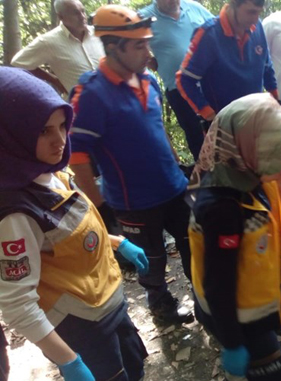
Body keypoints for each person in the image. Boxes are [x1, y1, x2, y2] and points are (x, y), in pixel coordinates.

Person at [0, 67, 177, 381]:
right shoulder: (15, 214)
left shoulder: (50, 174)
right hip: (82, 330)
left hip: (108, 308)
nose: (60, 140)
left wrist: (116, 242)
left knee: (135, 374)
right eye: (43, 131)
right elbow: (16, 303)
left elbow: (68, 233)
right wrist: (67, 360)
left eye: (62, 126)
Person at [68, 5, 193, 324]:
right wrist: (99, 207)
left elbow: (157, 128)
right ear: (112, 47)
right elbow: (77, 153)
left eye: (147, 43)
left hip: (173, 187)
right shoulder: (90, 94)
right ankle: (162, 306)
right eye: (139, 45)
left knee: (194, 244)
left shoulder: (148, 80)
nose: (147, 52)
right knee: (152, 258)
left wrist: (176, 164)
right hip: (133, 201)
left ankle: (206, 296)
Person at [188, 93, 281, 381]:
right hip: (238, 318)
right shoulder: (222, 207)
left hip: (248, 307)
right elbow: (218, 281)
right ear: (246, 148)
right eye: (276, 160)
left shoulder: (243, 172)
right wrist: (232, 342)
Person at [176, 0, 278, 124]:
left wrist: (277, 102)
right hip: (224, 126)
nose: (255, 19)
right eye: (251, 12)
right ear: (234, 3)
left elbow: (267, 68)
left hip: (255, 120)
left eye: (258, 13)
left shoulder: (257, 28)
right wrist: (208, 113)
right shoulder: (209, 35)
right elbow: (184, 79)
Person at [138, 0, 213, 160]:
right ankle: (207, 178)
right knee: (197, 138)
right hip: (179, 91)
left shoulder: (194, 7)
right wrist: (154, 63)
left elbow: (217, 32)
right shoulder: (144, 18)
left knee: (223, 132)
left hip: (211, 86)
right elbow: (137, 50)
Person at [11, 0, 104, 96]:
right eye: (75, 13)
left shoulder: (99, 34)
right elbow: (19, 63)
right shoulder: (48, 41)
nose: (82, 17)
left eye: (83, 11)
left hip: (113, 102)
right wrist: (54, 80)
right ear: (61, 16)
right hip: (82, 105)